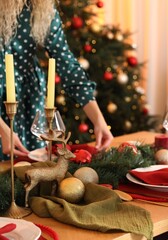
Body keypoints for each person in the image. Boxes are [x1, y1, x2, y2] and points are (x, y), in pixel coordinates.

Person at [0, 0, 113, 159]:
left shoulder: (42, 7)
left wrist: (99, 120)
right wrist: (3, 130)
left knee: (30, 172)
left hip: (28, 99)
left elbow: (67, 65)